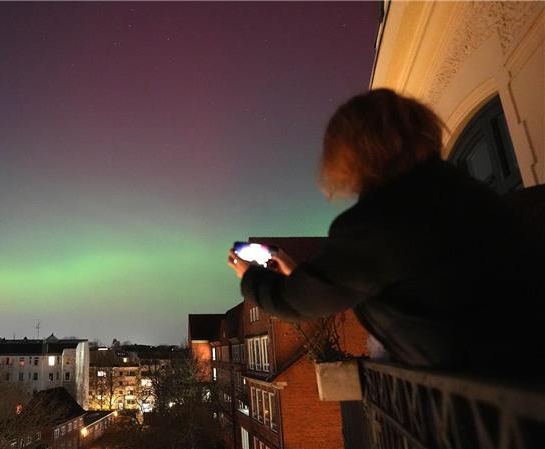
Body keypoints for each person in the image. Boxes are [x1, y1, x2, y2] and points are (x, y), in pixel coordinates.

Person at [228, 89, 542, 375]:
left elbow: (295, 303)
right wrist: (298, 272)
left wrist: (250, 278)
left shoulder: (378, 221)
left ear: (350, 153)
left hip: (486, 393)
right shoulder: (460, 190)